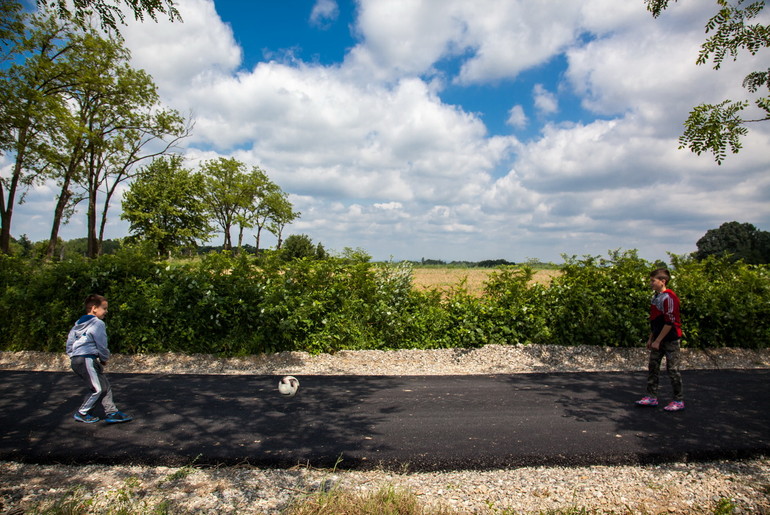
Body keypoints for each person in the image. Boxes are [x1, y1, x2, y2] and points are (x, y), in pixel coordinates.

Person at [66, 294, 133, 424]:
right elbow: (102, 344)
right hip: (85, 359)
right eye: (104, 308)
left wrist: (72, 355)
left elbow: (70, 342)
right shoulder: (97, 323)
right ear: (94, 308)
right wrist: (104, 358)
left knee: (105, 385)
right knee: (98, 389)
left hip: (81, 358)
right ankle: (83, 412)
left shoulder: (78, 324)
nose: (106, 311)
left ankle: (112, 412)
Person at [635, 268, 684, 411]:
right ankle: (651, 397)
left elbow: (670, 322)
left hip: (670, 339)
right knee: (653, 366)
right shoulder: (656, 298)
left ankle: (678, 400)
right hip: (658, 338)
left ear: (663, 281)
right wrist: (651, 338)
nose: (651, 283)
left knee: (673, 369)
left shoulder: (669, 298)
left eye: (653, 281)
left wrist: (658, 340)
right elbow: (654, 321)